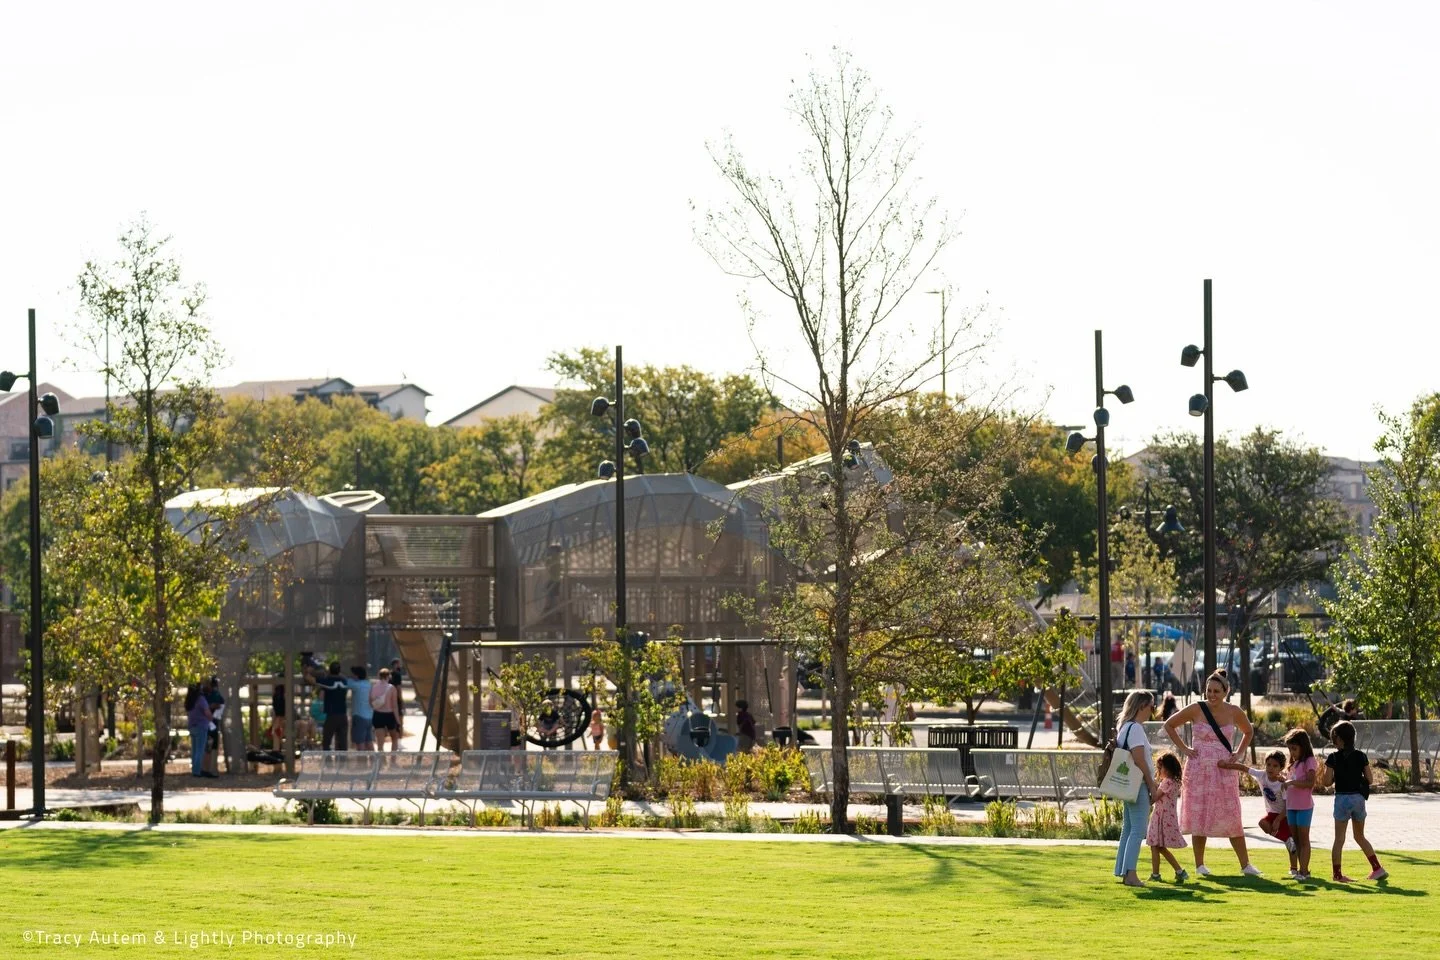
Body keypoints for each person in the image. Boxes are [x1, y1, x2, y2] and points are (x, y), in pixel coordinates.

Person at [1163, 669, 1261, 877]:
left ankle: (1245, 865)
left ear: (1226, 691)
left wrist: (1238, 753)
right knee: (1199, 814)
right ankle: (1200, 865)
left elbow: (1248, 731)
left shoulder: (1233, 711)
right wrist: (1185, 749)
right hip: (1198, 769)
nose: (1212, 694)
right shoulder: (1196, 709)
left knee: (1232, 814)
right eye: (1209, 690)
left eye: (1217, 690)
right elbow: (1169, 724)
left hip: (1224, 769)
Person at [1318, 719, 1387, 882]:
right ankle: (1377, 868)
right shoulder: (1361, 756)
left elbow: (1326, 782)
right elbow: (1370, 779)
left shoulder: (1333, 758)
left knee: (1339, 839)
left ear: (1339, 739)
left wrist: (1335, 775)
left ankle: (1337, 874)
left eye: (1334, 739)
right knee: (1360, 836)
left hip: (1342, 799)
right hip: (1358, 799)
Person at [1220, 749, 1295, 872]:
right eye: (1268, 764)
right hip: (1271, 813)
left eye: (1275, 766)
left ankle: (1294, 869)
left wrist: (1278, 820)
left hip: (1284, 814)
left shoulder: (1282, 783)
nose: (1271, 768)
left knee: (1291, 846)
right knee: (1263, 823)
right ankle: (1286, 839)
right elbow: (1243, 768)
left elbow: (1288, 805)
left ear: (1281, 768)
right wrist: (1226, 765)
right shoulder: (1261, 775)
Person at [1112, 690, 1159, 887]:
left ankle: (1123, 871)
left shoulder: (1124, 726)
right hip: (1137, 784)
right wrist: (1152, 784)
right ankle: (1130, 873)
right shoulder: (1136, 729)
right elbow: (1139, 759)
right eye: (1151, 706)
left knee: (1129, 828)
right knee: (1138, 829)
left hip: (1128, 783)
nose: (1153, 710)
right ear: (1142, 706)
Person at [1281, 728, 1319, 880]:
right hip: (1291, 806)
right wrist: (1283, 780)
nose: (1292, 752)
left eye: (1294, 748)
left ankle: (1304, 871)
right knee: (1295, 839)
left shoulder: (1309, 761)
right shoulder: (1294, 763)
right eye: (1290, 749)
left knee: (1304, 839)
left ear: (1303, 746)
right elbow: (1290, 781)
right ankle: (1298, 870)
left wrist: (1292, 782)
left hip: (1304, 806)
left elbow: (1310, 783)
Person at [1147, 751, 1188, 882]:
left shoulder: (1167, 782)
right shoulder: (1174, 782)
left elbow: (1155, 797)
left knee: (1155, 845)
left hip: (1161, 817)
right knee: (1159, 846)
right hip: (1166, 816)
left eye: (1160, 768)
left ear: (1168, 768)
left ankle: (1156, 874)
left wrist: (1149, 784)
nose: (1159, 771)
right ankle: (1179, 871)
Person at [314, 662, 350, 751]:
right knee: (342, 743)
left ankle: (327, 761)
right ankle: (342, 762)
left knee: (326, 741)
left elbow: (311, 679)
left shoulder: (327, 682)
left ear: (330, 670)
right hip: (343, 715)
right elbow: (342, 677)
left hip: (331, 715)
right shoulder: (344, 682)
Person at [184, 683, 215, 779]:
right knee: (200, 751)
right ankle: (197, 771)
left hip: (192, 727)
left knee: (194, 750)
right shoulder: (201, 699)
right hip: (201, 727)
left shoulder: (189, 700)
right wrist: (211, 718)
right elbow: (207, 713)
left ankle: (194, 769)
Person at [369, 668, 402, 752]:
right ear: (388, 676)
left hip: (378, 715)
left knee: (380, 743)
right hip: (389, 715)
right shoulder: (391, 688)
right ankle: (393, 760)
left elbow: (371, 702)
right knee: (394, 738)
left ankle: (381, 762)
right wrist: (398, 721)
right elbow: (394, 706)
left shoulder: (374, 687)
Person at [347, 666, 375, 751]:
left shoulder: (355, 685)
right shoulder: (369, 684)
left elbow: (345, 681)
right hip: (370, 717)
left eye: (353, 674)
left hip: (359, 717)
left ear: (356, 676)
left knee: (360, 743)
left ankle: (362, 762)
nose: (351, 676)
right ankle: (375, 762)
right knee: (369, 741)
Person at [203, 677, 225, 776]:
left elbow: (220, 704)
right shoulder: (208, 695)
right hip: (208, 724)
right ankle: (206, 769)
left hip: (213, 724)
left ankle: (210, 768)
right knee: (208, 747)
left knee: (211, 747)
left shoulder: (213, 695)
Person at [269, 683, 287, 753]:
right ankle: (277, 749)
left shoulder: (275, 695)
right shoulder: (284, 696)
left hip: (278, 718)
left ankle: (276, 750)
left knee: (277, 731)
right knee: (278, 731)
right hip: (282, 718)